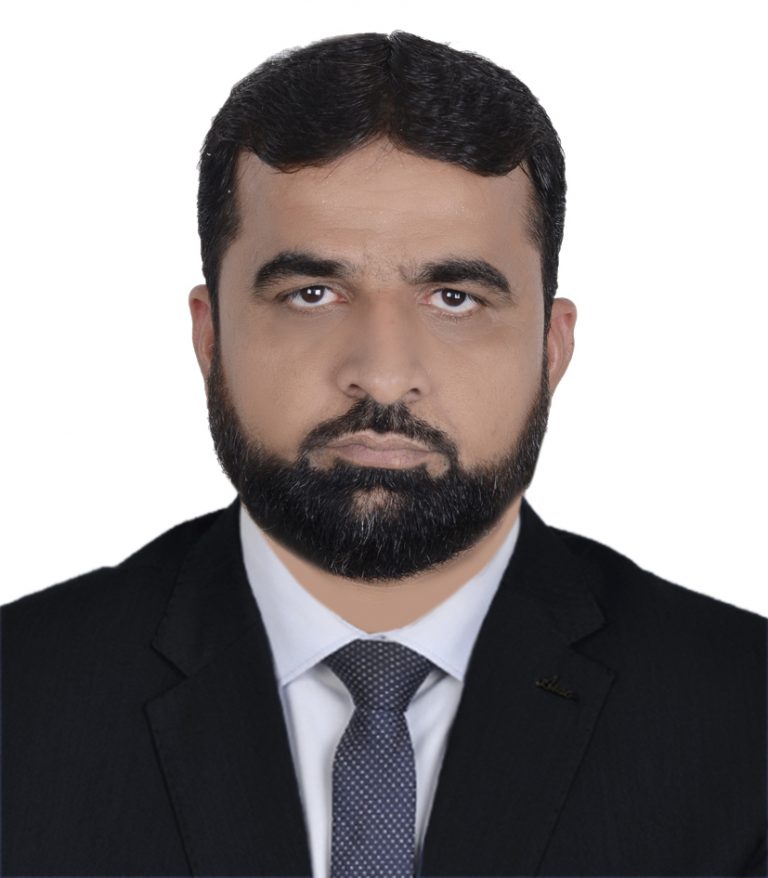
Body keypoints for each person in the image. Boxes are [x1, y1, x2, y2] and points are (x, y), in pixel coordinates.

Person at [1, 30, 764, 878]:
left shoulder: (745, 719)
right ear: (210, 337)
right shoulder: (19, 702)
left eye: (454, 297)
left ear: (552, 348)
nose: (383, 374)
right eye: (312, 293)